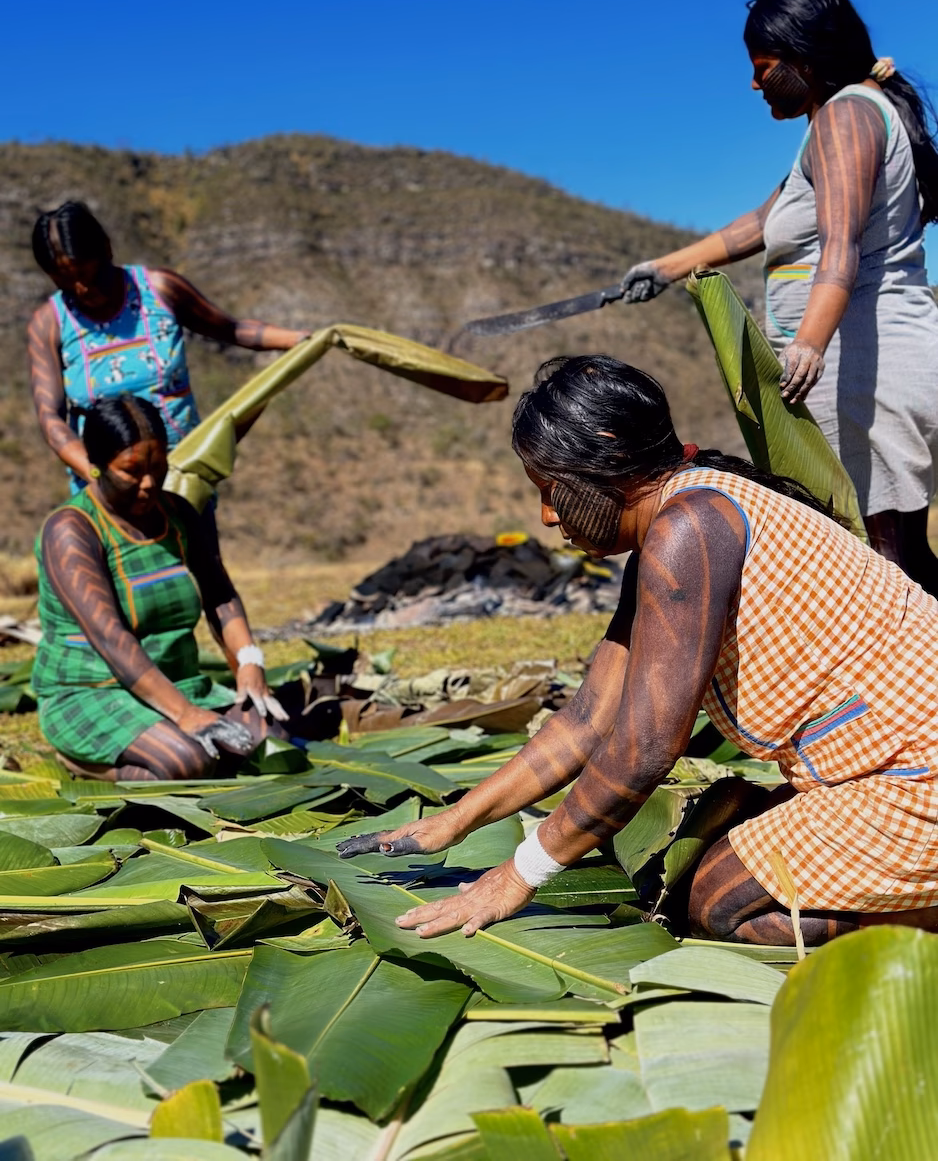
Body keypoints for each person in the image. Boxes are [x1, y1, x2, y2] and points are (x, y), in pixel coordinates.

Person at [338, 356, 938, 947]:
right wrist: (456, 820)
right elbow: (589, 718)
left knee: (715, 904)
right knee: (713, 853)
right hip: (886, 763)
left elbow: (645, 747)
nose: (546, 516)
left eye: (551, 491)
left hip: (916, 774)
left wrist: (515, 877)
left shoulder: (691, 530)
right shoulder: (680, 521)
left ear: (609, 460)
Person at [619, 0, 938, 592]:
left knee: (887, 562)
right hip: (862, 362)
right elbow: (761, 224)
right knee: (893, 554)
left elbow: (840, 250)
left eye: (763, 67)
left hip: (866, 366)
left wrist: (808, 344)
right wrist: (664, 269)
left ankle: (911, 684)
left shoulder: (846, 118)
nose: (754, 82)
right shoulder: (834, 125)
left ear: (803, 59)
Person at [33, 395, 288, 781]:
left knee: (270, 741)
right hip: (92, 691)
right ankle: (87, 762)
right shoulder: (71, 532)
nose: (149, 483)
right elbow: (111, 640)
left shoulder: (178, 512)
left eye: (157, 465)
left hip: (176, 682)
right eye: (131, 471)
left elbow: (220, 594)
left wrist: (250, 663)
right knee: (187, 762)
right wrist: (186, 715)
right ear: (97, 466)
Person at [28, 201, 309, 491]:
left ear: (106, 249)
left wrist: (302, 341)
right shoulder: (49, 324)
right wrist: (98, 475)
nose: (82, 290)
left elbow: (232, 329)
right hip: (106, 492)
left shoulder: (160, 290)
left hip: (181, 480)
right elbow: (50, 417)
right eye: (66, 283)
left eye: (89, 275)